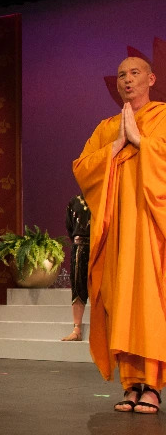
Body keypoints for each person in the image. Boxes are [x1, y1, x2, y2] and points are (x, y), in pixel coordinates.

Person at [72, 56, 165, 415]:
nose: (127, 80)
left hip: (151, 227)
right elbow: (82, 167)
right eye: (122, 74)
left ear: (151, 79)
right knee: (120, 300)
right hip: (117, 231)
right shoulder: (108, 127)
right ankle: (130, 385)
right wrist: (115, 146)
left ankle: (151, 387)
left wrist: (141, 142)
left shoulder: (163, 117)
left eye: (135, 73)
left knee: (147, 302)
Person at [62, 194, 90, 342]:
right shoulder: (74, 201)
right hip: (79, 248)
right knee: (78, 287)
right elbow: (70, 227)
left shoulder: (106, 197)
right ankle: (77, 330)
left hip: (102, 246)